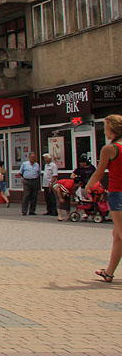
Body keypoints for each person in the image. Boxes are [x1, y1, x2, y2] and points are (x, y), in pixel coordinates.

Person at [87, 114, 122, 283]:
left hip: (118, 194)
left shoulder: (110, 148)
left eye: (106, 128)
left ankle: (109, 272)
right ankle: (108, 272)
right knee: (117, 235)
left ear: (113, 129)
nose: (105, 132)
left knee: (121, 233)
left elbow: (99, 173)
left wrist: (88, 186)